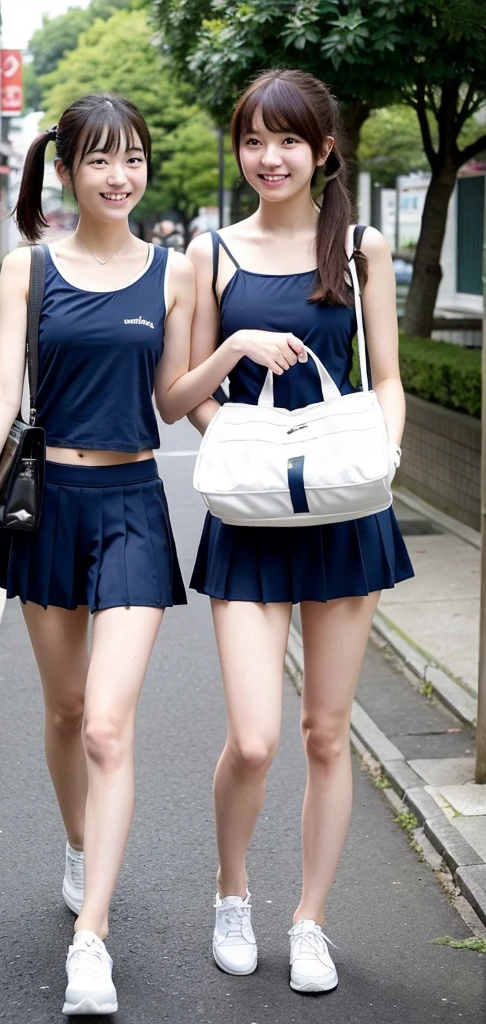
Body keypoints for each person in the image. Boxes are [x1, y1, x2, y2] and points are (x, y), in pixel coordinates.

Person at [0, 93, 195, 1016]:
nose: (119, 176)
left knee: (106, 726)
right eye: (99, 160)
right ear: (68, 170)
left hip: (133, 504)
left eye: (132, 158)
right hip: (49, 507)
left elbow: (175, 397)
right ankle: (82, 847)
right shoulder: (28, 268)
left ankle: (93, 940)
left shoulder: (174, 272)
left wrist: (266, 421)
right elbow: (2, 393)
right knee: (64, 709)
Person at [160, 68, 414, 992]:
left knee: (326, 732)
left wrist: (376, 461)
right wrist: (232, 355)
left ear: (323, 151)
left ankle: (310, 920)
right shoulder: (209, 253)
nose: (270, 159)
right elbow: (177, 396)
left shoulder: (360, 248)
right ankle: (234, 892)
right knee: (257, 736)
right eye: (254, 141)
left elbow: (386, 378)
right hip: (252, 516)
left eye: (288, 142)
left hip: (346, 514)